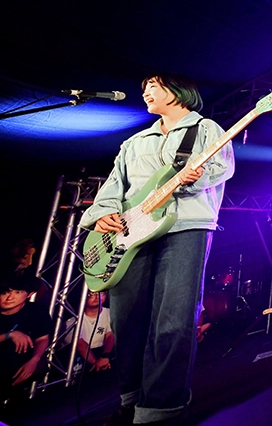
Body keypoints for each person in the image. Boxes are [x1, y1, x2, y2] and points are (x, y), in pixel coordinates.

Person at [80, 74, 235, 425]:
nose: (146, 92)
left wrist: (197, 177)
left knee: (174, 319)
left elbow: (221, 167)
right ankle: (132, 399)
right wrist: (103, 213)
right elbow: (114, 186)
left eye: (154, 86)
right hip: (131, 234)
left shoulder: (205, 129)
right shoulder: (134, 142)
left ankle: (161, 408)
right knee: (126, 319)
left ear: (178, 91)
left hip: (186, 226)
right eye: (144, 88)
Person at [0, 272, 52, 405]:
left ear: (29, 294)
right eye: (5, 292)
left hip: (16, 362)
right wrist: (9, 335)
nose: (9, 297)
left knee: (40, 366)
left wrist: (34, 360)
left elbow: (42, 338)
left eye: (17, 292)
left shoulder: (36, 310)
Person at [63, 291, 115, 374]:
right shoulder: (72, 320)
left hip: (103, 354)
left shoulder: (111, 313)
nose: (97, 296)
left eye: (101, 293)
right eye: (91, 294)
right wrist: (96, 363)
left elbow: (110, 335)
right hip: (79, 358)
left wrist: (105, 356)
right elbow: (80, 344)